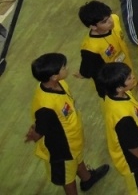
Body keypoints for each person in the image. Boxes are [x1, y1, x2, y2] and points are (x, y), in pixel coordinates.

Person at [27, 53, 110, 195]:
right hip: (62, 150)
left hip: (73, 140)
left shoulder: (61, 84)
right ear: (53, 76)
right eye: (63, 67)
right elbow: (40, 129)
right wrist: (34, 135)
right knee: (68, 177)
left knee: (77, 157)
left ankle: (87, 178)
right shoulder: (45, 106)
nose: (67, 68)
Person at [96, 63, 138, 194]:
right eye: (129, 78)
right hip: (136, 163)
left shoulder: (118, 94)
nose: (133, 77)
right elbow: (130, 144)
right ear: (119, 87)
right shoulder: (122, 117)